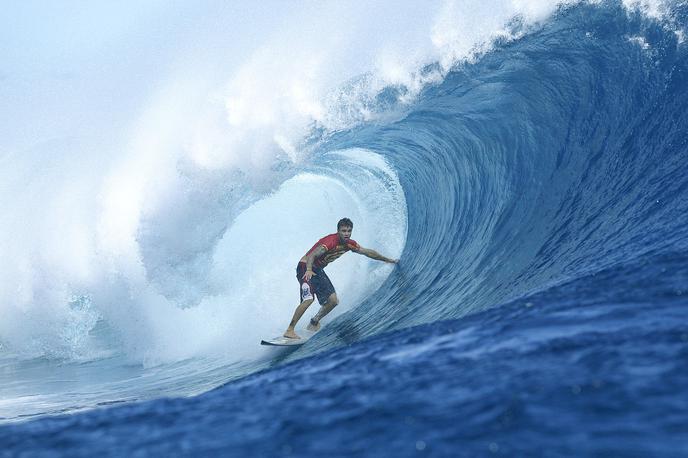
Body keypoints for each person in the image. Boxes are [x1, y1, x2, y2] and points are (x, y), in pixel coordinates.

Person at [283, 217, 398, 339]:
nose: (346, 234)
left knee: (333, 301)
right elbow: (312, 255)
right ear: (338, 231)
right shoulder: (330, 242)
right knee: (308, 299)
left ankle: (314, 322)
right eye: (343, 231)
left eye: (349, 231)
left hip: (317, 270)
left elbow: (367, 252)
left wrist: (388, 260)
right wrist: (309, 270)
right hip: (305, 267)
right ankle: (289, 330)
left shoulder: (349, 244)